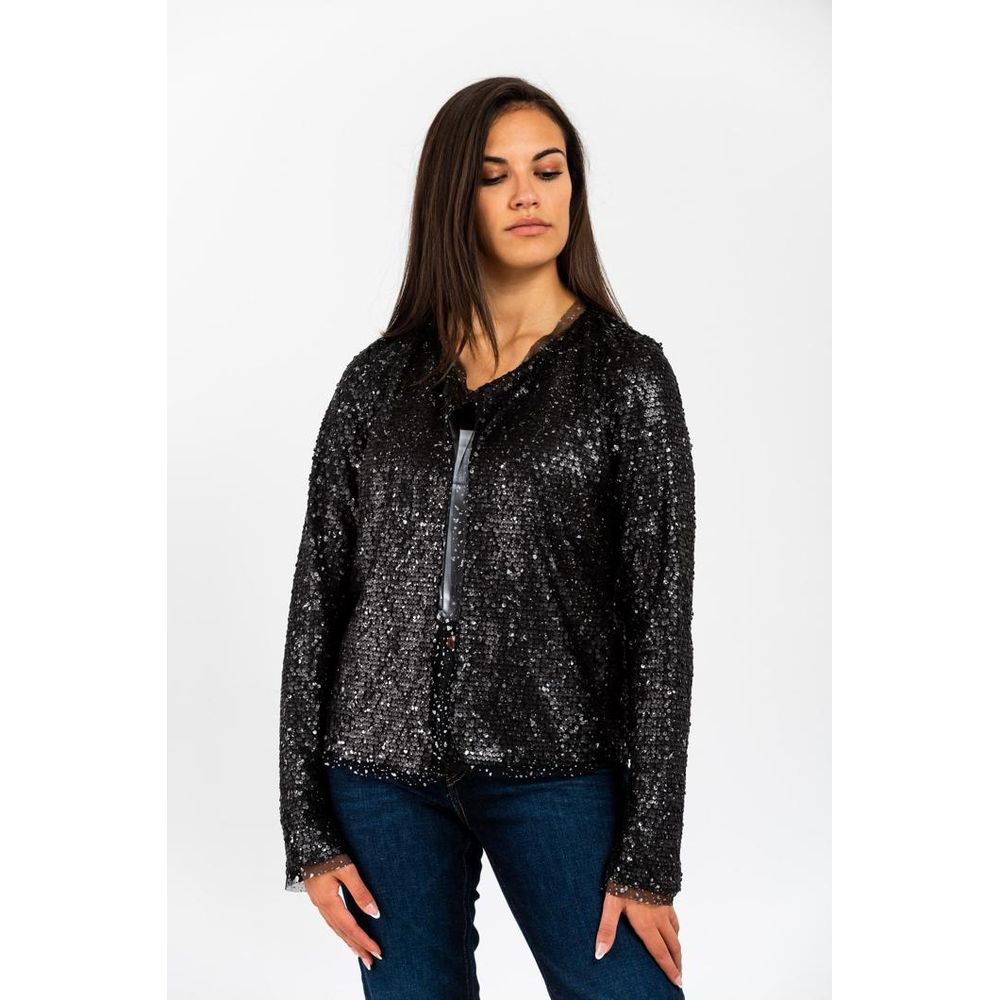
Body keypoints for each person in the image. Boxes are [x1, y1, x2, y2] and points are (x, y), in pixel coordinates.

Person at [279, 76, 696, 1000]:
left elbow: (661, 623)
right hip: (379, 777)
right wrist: (306, 829)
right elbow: (319, 602)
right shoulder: (377, 382)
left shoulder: (626, 378)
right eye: (493, 175)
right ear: (451, 198)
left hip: (557, 768)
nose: (526, 195)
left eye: (548, 170)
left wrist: (648, 856)